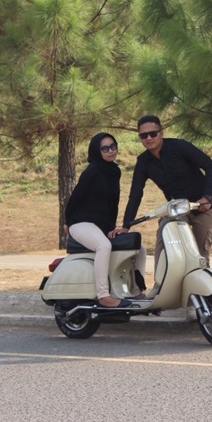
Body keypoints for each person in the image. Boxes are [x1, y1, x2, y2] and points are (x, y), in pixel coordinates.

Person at [122, 115, 212, 267]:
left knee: (200, 256)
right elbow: (136, 194)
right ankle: (160, 280)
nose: (149, 138)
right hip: (178, 209)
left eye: (153, 133)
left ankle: (201, 282)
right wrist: (126, 225)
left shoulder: (180, 146)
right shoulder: (143, 161)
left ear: (161, 133)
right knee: (165, 240)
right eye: (144, 135)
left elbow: (210, 166)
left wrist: (207, 197)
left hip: (203, 207)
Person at [65, 132, 147, 308]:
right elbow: (75, 197)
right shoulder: (93, 170)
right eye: (105, 148)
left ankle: (137, 292)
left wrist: (112, 228)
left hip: (100, 227)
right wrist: (67, 221)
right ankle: (103, 296)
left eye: (113, 146)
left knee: (139, 248)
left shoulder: (114, 171)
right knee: (104, 246)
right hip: (81, 223)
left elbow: (112, 203)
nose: (111, 151)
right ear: (97, 151)